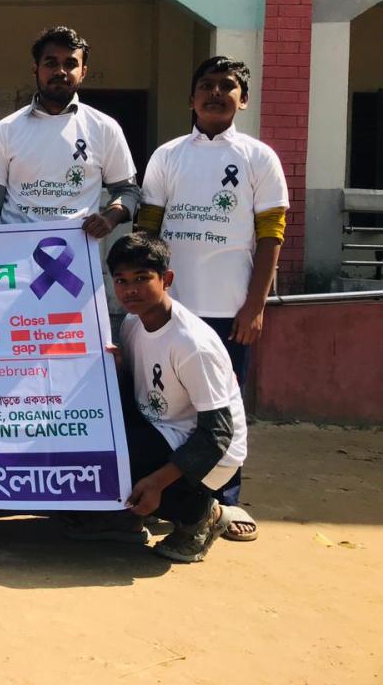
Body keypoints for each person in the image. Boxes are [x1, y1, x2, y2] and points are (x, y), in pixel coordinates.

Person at [136, 56, 288, 542]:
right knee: (163, 404)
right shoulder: (167, 155)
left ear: (243, 99)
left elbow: (271, 236)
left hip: (228, 308)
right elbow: (147, 231)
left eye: (228, 86)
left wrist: (255, 305)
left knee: (223, 407)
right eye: (207, 85)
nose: (216, 93)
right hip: (168, 308)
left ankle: (225, 498)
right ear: (191, 97)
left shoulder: (259, 157)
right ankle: (169, 494)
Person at [68, 233, 244, 563]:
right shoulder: (132, 325)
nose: (130, 290)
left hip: (208, 452)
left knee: (113, 458)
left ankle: (203, 515)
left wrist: (157, 482)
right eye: (121, 280)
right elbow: (137, 395)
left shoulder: (192, 345)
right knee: (85, 434)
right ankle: (123, 517)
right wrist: (117, 368)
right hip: (160, 427)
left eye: (142, 278)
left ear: (167, 279)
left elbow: (218, 434)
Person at [0, 26, 139, 237]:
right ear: (35, 69)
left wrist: (109, 219)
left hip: (76, 251)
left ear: (83, 72)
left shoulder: (104, 128)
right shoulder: (5, 129)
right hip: (15, 251)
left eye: (70, 64)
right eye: (51, 63)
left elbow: (128, 191)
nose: (60, 71)